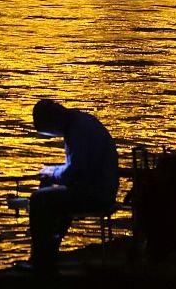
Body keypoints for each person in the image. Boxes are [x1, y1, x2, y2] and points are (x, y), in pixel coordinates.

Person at [25, 99, 118, 269]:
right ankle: (49, 249)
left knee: (39, 200)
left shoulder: (77, 131)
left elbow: (75, 171)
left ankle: (40, 257)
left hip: (96, 193)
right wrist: (54, 172)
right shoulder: (81, 123)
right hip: (100, 187)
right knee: (55, 195)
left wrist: (51, 172)